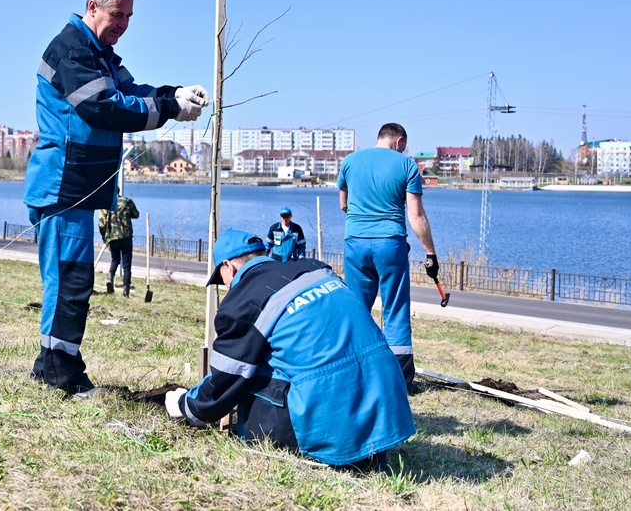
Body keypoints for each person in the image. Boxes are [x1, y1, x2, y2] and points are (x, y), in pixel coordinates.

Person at [23, 0, 208, 398]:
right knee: (70, 281)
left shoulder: (100, 53)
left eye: (129, 17)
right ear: (93, 7)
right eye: (116, 14)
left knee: (68, 280)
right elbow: (104, 107)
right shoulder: (71, 49)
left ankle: (47, 366)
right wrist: (168, 109)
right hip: (63, 187)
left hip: (77, 188)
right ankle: (62, 376)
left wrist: (173, 93)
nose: (123, 24)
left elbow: (132, 91)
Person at [164, 229, 415, 470]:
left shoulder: (243, 300)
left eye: (222, 279)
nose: (227, 286)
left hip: (331, 421)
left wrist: (187, 405)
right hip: (389, 407)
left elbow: (226, 379)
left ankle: (332, 441)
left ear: (228, 266)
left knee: (249, 376)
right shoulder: (313, 268)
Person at [336, 123, 439, 394]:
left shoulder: (349, 162)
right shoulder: (407, 166)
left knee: (357, 308)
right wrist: (430, 253)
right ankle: (400, 382)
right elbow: (415, 216)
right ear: (399, 141)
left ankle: (353, 373)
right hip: (390, 244)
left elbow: (343, 205)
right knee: (395, 308)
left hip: (355, 242)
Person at [98, 193, 140, 297]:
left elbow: (101, 224)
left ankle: (110, 277)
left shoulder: (106, 204)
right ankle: (126, 291)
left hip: (113, 237)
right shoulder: (127, 201)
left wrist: (105, 237)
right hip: (126, 237)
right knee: (127, 265)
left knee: (115, 260)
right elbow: (136, 214)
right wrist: (126, 214)